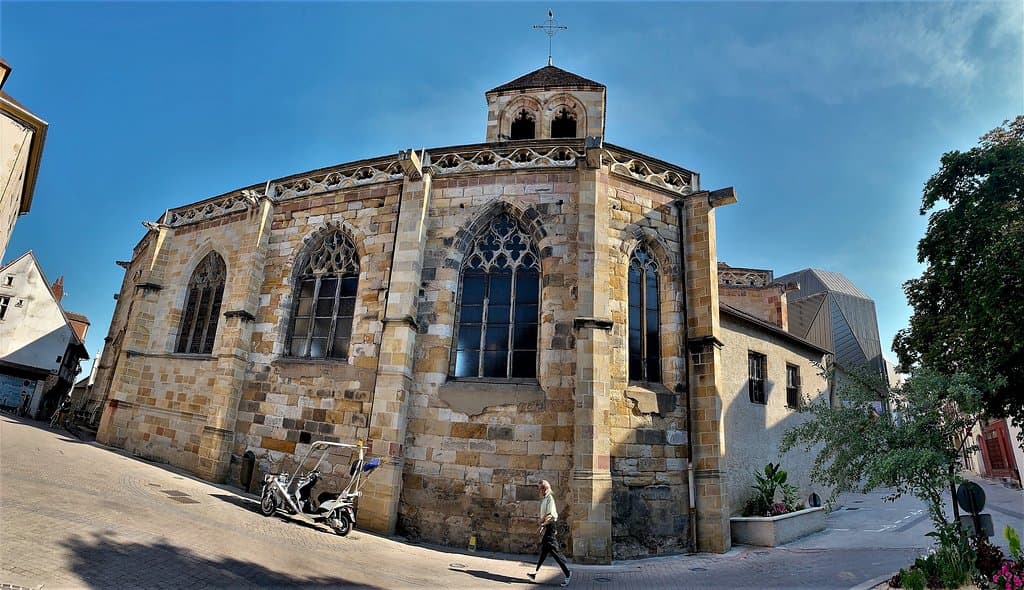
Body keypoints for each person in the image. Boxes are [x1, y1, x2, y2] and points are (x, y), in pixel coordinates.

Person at [527, 480, 571, 587]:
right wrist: (542, 526)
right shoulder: (546, 498)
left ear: (544, 489)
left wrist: (541, 522)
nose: (539, 491)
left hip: (550, 527)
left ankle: (568, 573)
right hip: (548, 527)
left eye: (539, 489)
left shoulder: (549, 498)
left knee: (554, 552)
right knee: (544, 552)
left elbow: (550, 515)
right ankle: (535, 573)